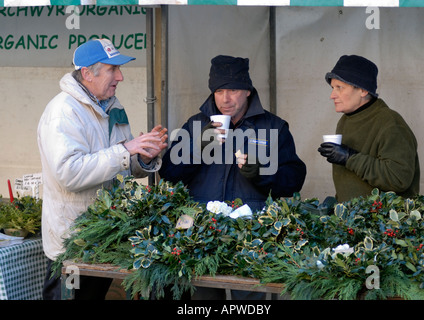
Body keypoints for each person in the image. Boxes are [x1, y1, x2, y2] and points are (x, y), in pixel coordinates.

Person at [159, 55, 307, 299]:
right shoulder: (196, 125)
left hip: (253, 234)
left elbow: (294, 180)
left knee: (251, 299)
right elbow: (169, 174)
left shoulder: (273, 126)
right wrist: (198, 148)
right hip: (201, 232)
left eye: (233, 90)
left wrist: (262, 174)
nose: (225, 99)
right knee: (202, 299)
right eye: (219, 91)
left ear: (248, 91)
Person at [37, 39, 168, 300]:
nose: (120, 77)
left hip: (104, 238)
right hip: (72, 242)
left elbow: (120, 167)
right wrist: (125, 150)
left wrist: (142, 157)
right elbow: (70, 173)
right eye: (112, 69)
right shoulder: (63, 112)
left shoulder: (114, 107)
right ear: (87, 73)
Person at [318, 54, 420, 203]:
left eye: (339, 88)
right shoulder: (345, 121)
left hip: (385, 223)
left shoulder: (390, 123)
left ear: (363, 90)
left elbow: (398, 179)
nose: (332, 95)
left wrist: (350, 158)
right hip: (352, 222)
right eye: (333, 88)